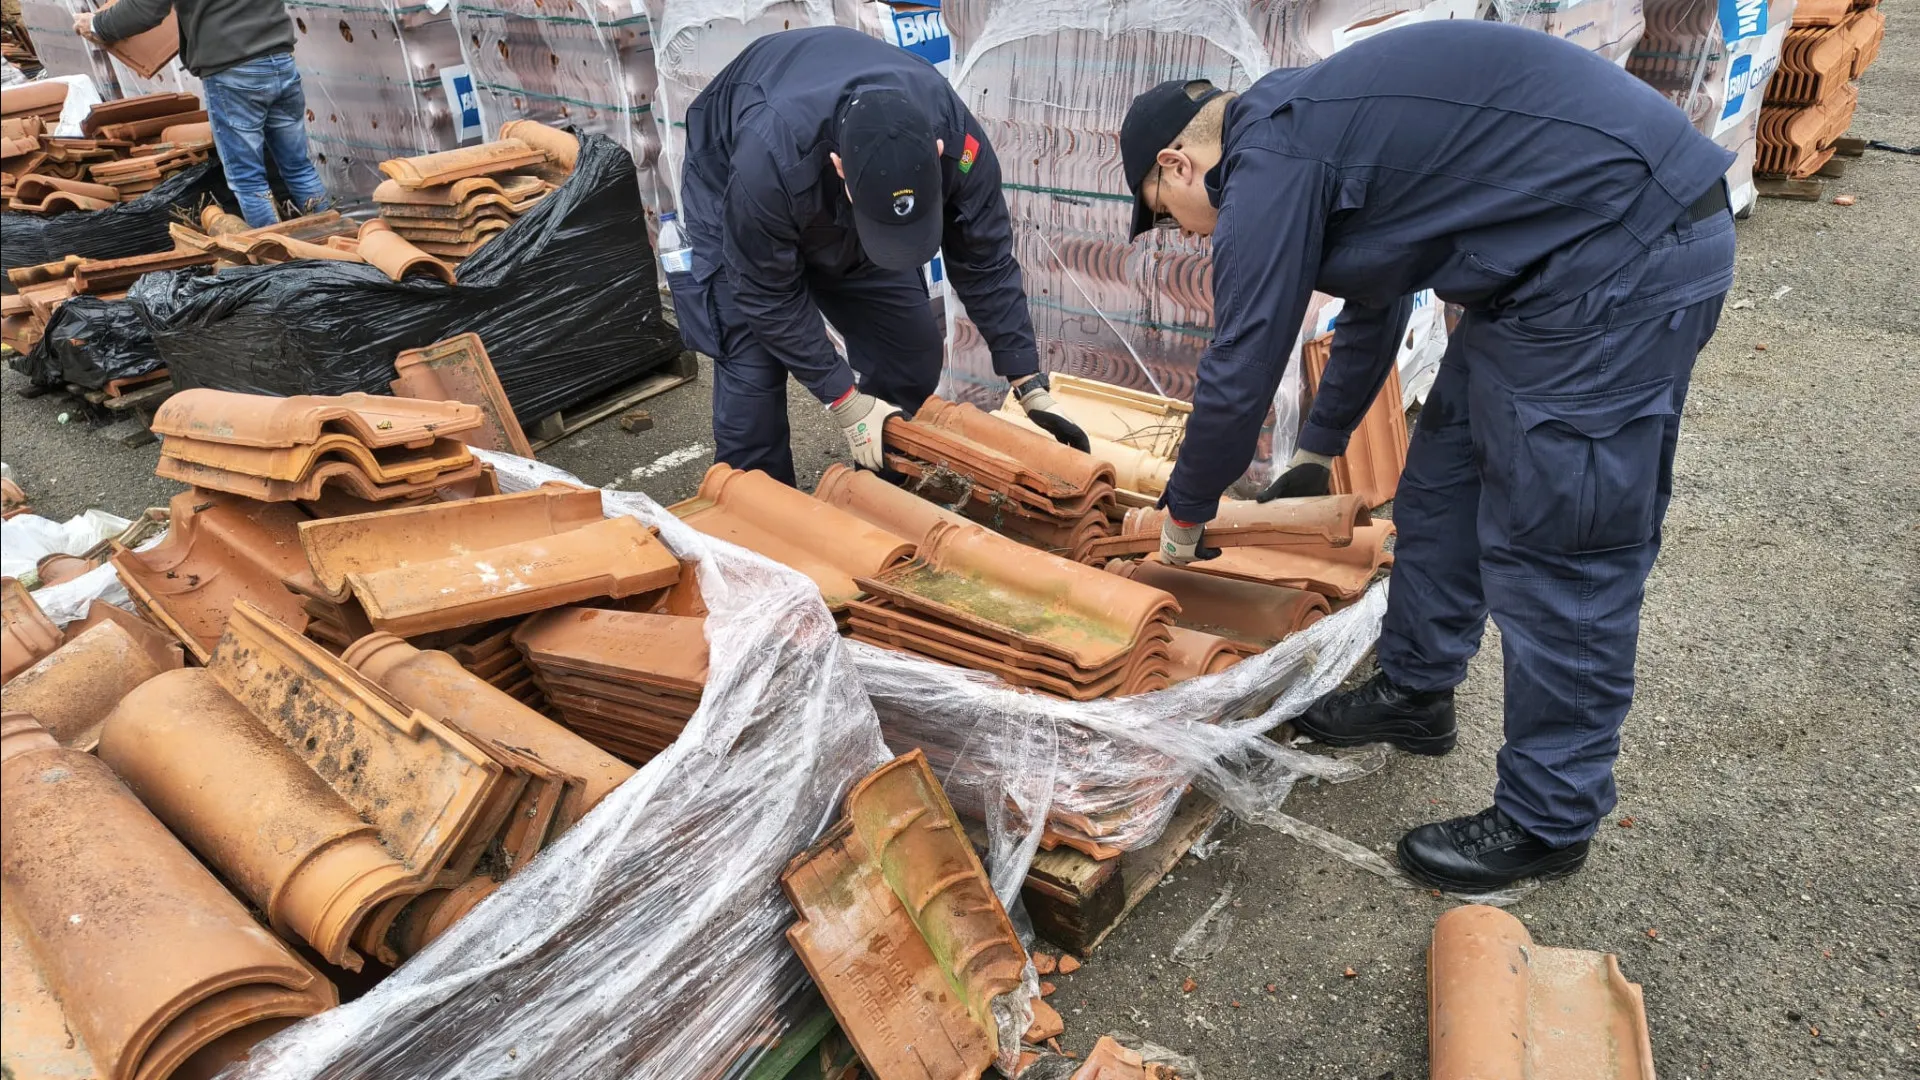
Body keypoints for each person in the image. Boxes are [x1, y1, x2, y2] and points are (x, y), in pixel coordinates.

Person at [1122, 20, 1735, 892]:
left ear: (1179, 165)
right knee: (1444, 475)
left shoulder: (1271, 161)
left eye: (1165, 219)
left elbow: (1243, 356)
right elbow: (1377, 298)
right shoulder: (1305, 129)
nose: (1183, 237)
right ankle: (1416, 692)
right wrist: (1316, 450)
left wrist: (1184, 515)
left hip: (1623, 257)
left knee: (1561, 543)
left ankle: (1547, 817)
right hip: (1549, 270)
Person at [670, 26, 1087, 486]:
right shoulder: (765, 162)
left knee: (910, 353)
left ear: (937, 152)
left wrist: (1025, 378)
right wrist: (843, 398)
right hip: (733, 176)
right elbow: (766, 294)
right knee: (752, 374)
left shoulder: (959, 139)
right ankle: (759, 522)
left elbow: (985, 259)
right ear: (841, 169)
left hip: (840, 200)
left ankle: (874, 490)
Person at [77, 0, 330, 229]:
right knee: (298, 166)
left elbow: (146, 9)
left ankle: (283, 259)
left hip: (232, 71)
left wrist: (97, 24)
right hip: (279, 60)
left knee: (248, 180)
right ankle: (339, 237)